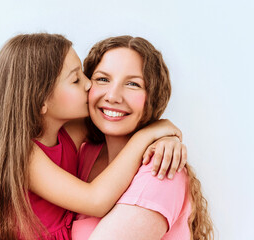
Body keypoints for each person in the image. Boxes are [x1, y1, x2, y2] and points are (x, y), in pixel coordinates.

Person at [0, 33, 186, 240]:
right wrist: (146, 136)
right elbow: (95, 200)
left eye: (85, 74)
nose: (89, 83)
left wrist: (166, 138)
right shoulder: (24, 156)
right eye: (76, 80)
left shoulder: (70, 134)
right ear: (42, 101)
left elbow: (119, 121)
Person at [71, 36, 214, 240]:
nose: (113, 96)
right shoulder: (86, 152)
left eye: (133, 84)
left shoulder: (161, 168)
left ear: (153, 96)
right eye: (102, 79)